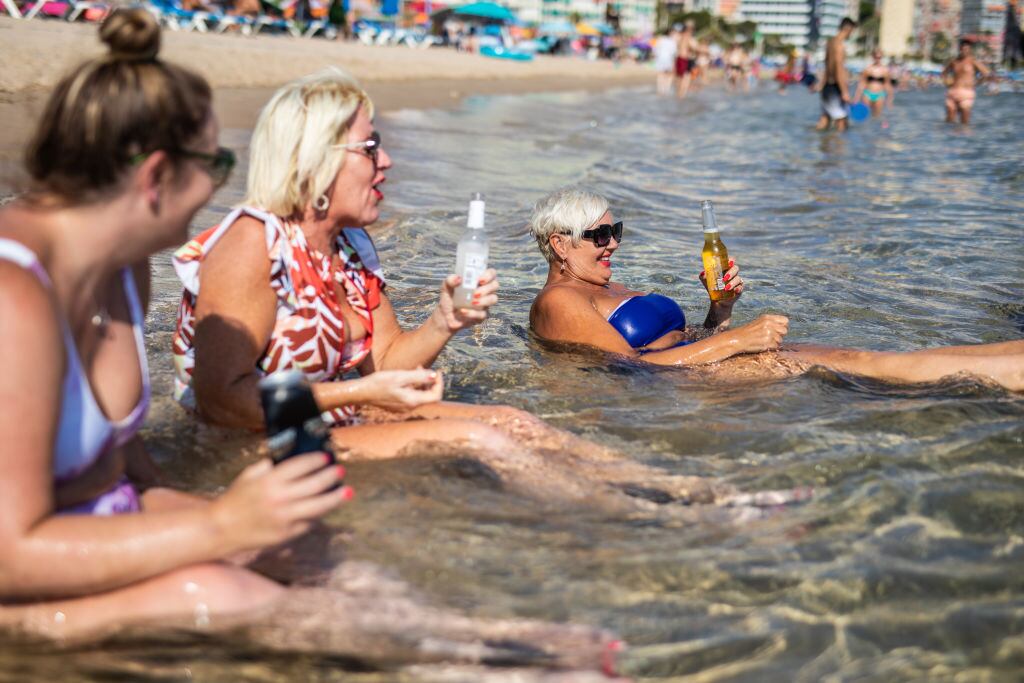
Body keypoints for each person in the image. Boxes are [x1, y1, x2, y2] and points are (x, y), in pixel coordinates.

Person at [0, 8, 348, 638]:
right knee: (215, 590)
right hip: (17, 583)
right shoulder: (12, 299)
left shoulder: (122, 270)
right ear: (156, 175)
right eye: (215, 165)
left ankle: (522, 654)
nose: (221, 186)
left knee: (319, 567)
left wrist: (245, 524)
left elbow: (126, 479)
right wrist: (219, 530)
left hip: (88, 542)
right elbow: (8, 553)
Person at [528, 188, 1024, 391]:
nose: (612, 243)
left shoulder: (602, 283)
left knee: (870, 359)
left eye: (616, 232)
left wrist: (719, 312)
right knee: (872, 366)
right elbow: (630, 367)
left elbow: (676, 343)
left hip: (713, 361)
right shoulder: (559, 302)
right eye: (599, 236)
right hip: (698, 382)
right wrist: (735, 340)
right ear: (560, 244)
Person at [816, 17, 857, 131]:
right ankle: (840, 148)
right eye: (852, 31)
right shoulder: (840, 46)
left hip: (827, 86)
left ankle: (819, 145)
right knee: (842, 121)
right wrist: (844, 92)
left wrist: (821, 84)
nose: (851, 35)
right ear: (848, 29)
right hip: (835, 86)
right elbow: (839, 69)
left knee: (825, 118)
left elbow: (826, 64)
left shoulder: (830, 42)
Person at [943, 39, 990, 124]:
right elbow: (944, 73)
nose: (964, 50)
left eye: (966, 49)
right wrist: (947, 83)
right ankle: (949, 137)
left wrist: (977, 83)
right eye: (962, 48)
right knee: (949, 121)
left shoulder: (972, 61)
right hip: (953, 92)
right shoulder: (954, 61)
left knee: (964, 122)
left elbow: (985, 73)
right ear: (959, 49)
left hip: (966, 93)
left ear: (969, 50)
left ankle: (964, 137)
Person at [853, 48, 894, 117]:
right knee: (865, 115)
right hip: (867, 93)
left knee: (876, 116)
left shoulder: (885, 70)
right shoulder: (868, 69)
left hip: (879, 94)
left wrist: (890, 99)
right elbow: (862, 83)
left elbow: (888, 85)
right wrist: (856, 98)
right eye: (876, 57)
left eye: (879, 57)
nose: (877, 59)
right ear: (873, 57)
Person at [674, 20, 698, 99]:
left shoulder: (679, 36)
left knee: (679, 77)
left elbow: (677, 45)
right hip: (685, 59)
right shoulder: (688, 37)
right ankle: (682, 94)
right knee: (686, 77)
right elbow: (694, 47)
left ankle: (679, 93)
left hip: (678, 58)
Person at [653, 27, 678, 95]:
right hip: (668, 59)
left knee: (660, 74)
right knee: (669, 74)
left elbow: (655, 48)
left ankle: (660, 89)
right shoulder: (672, 41)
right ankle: (666, 89)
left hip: (660, 58)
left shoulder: (660, 38)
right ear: (670, 33)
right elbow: (674, 52)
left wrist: (656, 56)